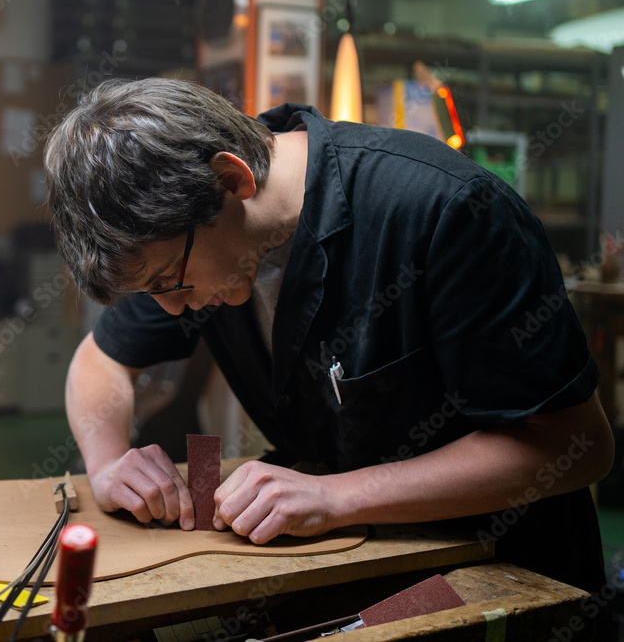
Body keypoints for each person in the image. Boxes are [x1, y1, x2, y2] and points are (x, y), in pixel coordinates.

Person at [44, 78, 614, 620]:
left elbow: (577, 444)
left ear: (231, 180)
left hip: (503, 571)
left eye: (170, 280)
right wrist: (107, 462)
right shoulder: (191, 232)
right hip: (353, 566)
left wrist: (336, 497)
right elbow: (100, 362)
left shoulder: (444, 211)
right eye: (152, 290)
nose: (171, 308)